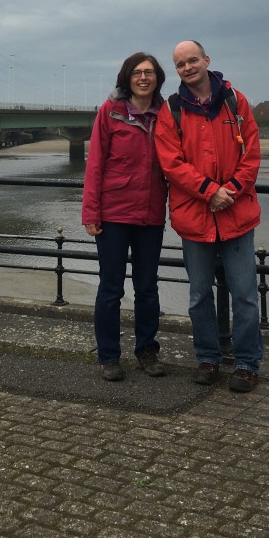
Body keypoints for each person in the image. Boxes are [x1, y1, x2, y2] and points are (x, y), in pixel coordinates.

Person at [154, 40, 264, 393]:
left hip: (236, 213)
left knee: (245, 295)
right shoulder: (171, 110)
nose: (187, 68)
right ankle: (207, 358)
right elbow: (171, 163)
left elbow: (251, 155)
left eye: (192, 60)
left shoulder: (236, 102)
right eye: (180, 64)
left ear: (206, 60)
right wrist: (209, 191)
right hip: (195, 218)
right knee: (199, 295)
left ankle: (246, 363)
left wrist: (228, 191)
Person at [82, 51, 168, 382]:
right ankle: (108, 356)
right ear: (127, 78)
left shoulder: (166, 114)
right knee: (111, 288)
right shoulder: (111, 111)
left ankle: (147, 351)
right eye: (137, 73)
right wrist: (91, 212)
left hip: (151, 213)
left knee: (147, 287)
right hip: (114, 214)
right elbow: (95, 164)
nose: (143, 78)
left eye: (149, 72)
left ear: (157, 78)